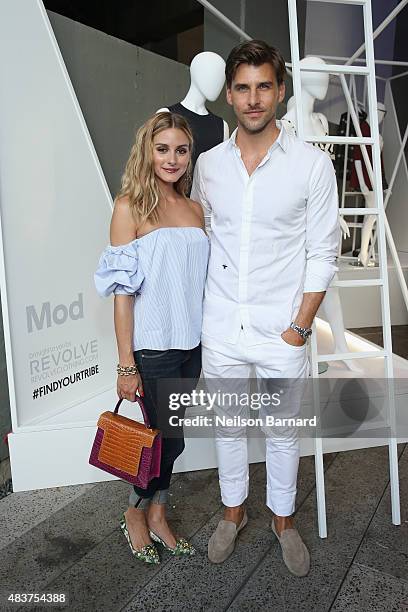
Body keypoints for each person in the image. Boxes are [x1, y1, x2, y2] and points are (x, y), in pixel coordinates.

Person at [191, 40, 339, 576]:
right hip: (223, 325)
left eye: (264, 87)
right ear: (230, 94)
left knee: (282, 429)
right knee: (228, 425)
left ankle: (283, 518)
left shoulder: (311, 165)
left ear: (280, 91)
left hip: (283, 329)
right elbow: (203, 238)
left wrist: (300, 327)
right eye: (243, 88)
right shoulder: (208, 166)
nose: (254, 99)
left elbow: (324, 252)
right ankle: (234, 510)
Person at [94, 112, 209, 564]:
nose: (172, 158)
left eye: (181, 150)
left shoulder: (195, 208)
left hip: (191, 346)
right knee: (163, 441)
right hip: (154, 345)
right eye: (163, 149)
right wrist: (127, 365)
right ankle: (137, 514)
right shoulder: (129, 208)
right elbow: (122, 295)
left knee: (173, 435)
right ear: (148, 151)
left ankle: (158, 511)